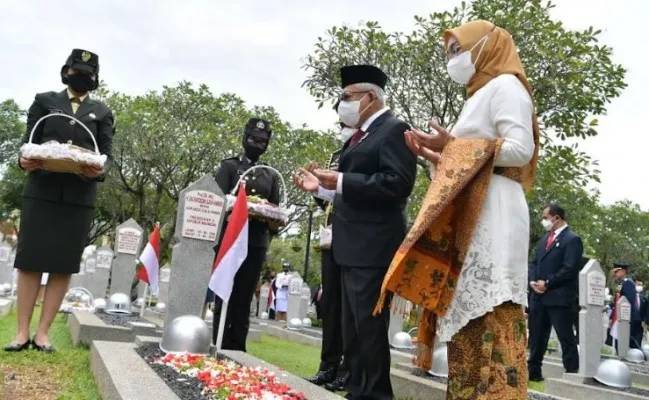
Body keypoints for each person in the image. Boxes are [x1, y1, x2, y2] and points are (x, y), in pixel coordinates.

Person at [376, 20, 540, 399]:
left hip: (496, 214)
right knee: (465, 330)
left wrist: (455, 147)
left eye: (457, 50)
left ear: (486, 48)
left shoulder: (507, 86)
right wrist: (441, 153)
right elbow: (463, 158)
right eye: (449, 53)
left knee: (493, 316)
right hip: (472, 216)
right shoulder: (476, 96)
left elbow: (520, 149)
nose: (452, 60)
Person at [293, 64, 417, 400]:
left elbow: (398, 185)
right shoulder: (359, 137)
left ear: (370, 97)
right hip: (350, 245)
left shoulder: (394, 129)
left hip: (373, 245)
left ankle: (376, 395)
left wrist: (342, 179)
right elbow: (351, 192)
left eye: (347, 96)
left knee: (369, 330)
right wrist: (320, 188)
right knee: (353, 330)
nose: (341, 103)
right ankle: (357, 391)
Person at [5, 49, 114, 353]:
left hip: (78, 199)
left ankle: (42, 333)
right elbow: (29, 142)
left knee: (62, 265)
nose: (83, 77)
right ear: (66, 71)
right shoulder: (45, 101)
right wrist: (22, 160)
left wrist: (99, 170)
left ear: (95, 79)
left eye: (90, 74)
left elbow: (107, 155)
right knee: (30, 262)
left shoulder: (102, 112)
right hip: (41, 191)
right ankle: (22, 332)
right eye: (78, 71)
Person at [211, 117, 280, 351]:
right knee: (225, 291)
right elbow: (217, 203)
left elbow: (276, 214)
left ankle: (239, 346)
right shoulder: (230, 167)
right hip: (231, 241)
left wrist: (268, 216)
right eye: (253, 138)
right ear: (244, 138)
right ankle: (218, 341)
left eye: (262, 141)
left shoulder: (270, 175)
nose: (257, 143)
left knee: (245, 296)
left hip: (256, 242)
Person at [305, 116, 352, 391]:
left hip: (355, 237)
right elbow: (326, 201)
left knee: (349, 307)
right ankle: (328, 365)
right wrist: (317, 187)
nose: (343, 128)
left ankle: (347, 370)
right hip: (331, 238)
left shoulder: (365, 151)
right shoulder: (337, 154)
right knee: (331, 304)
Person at [528, 204, 583, 381]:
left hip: (558, 296)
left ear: (556, 218)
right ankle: (534, 373)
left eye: (545, 217)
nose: (543, 221)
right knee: (536, 337)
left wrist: (548, 283)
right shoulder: (544, 239)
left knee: (565, 337)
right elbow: (534, 263)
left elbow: (570, 268)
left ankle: (571, 373)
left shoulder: (572, 240)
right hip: (538, 296)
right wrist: (532, 281)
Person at [612, 263, 642, 349]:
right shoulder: (623, 283)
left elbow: (628, 301)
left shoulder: (628, 283)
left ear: (623, 271)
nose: (615, 273)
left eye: (617, 271)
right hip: (623, 316)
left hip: (628, 318)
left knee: (624, 343)